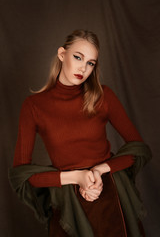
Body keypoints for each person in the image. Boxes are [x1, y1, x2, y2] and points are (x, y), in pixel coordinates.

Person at [12, 29, 150, 237]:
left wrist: (100, 170)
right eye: (78, 57)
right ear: (61, 54)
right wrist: (77, 177)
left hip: (110, 194)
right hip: (69, 203)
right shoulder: (34, 106)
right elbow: (24, 175)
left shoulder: (104, 96)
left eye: (91, 63)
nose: (83, 68)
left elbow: (138, 149)